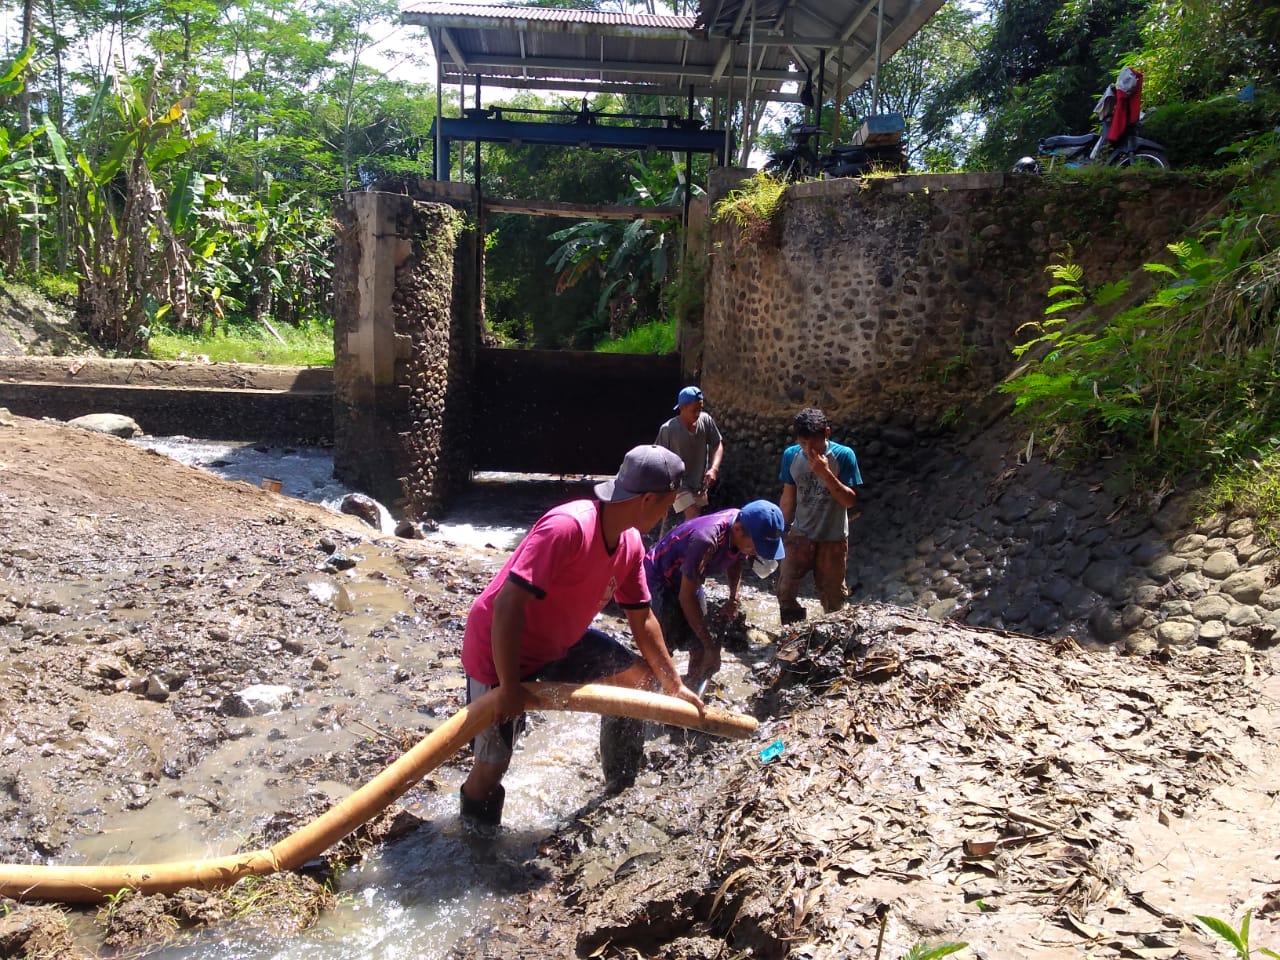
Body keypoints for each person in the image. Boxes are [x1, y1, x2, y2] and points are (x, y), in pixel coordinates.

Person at [459, 444, 704, 826]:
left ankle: (619, 782)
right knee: (493, 765)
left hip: (559, 640)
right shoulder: (568, 527)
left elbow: (643, 619)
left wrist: (673, 685)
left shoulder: (630, 543)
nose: (666, 516)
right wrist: (508, 687)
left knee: (637, 679)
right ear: (649, 500)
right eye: (667, 505)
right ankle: (473, 836)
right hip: (499, 649)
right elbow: (508, 606)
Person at [644, 500, 785, 687]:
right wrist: (712, 648)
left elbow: (736, 558)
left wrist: (733, 598)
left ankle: (692, 688)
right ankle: (650, 692)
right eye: (756, 546)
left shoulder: (741, 523)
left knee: (700, 646)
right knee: (661, 648)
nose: (756, 552)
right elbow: (686, 597)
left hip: (692, 577)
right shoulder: (706, 540)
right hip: (660, 578)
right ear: (738, 530)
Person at [777, 407, 862, 625]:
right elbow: (788, 498)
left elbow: (850, 501)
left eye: (813, 443)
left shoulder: (844, 455)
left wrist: (825, 473)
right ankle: (793, 636)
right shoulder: (791, 455)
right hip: (800, 534)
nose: (808, 449)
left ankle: (831, 640)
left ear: (826, 433)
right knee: (785, 590)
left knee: (833, 599)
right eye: (803, 443)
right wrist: (779, 530)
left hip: (832, 538)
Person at [655, 386, 725, 524]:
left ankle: (679, 540)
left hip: (699, 483)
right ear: (682, 408)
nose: (698, 413)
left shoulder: (706, 421)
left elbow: (718, 444)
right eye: (694, 410)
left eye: (700, 409)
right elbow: (657, 457)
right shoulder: (669, 429)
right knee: (693, 513)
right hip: (678, 483)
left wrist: (714, 469)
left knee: (696, 516)